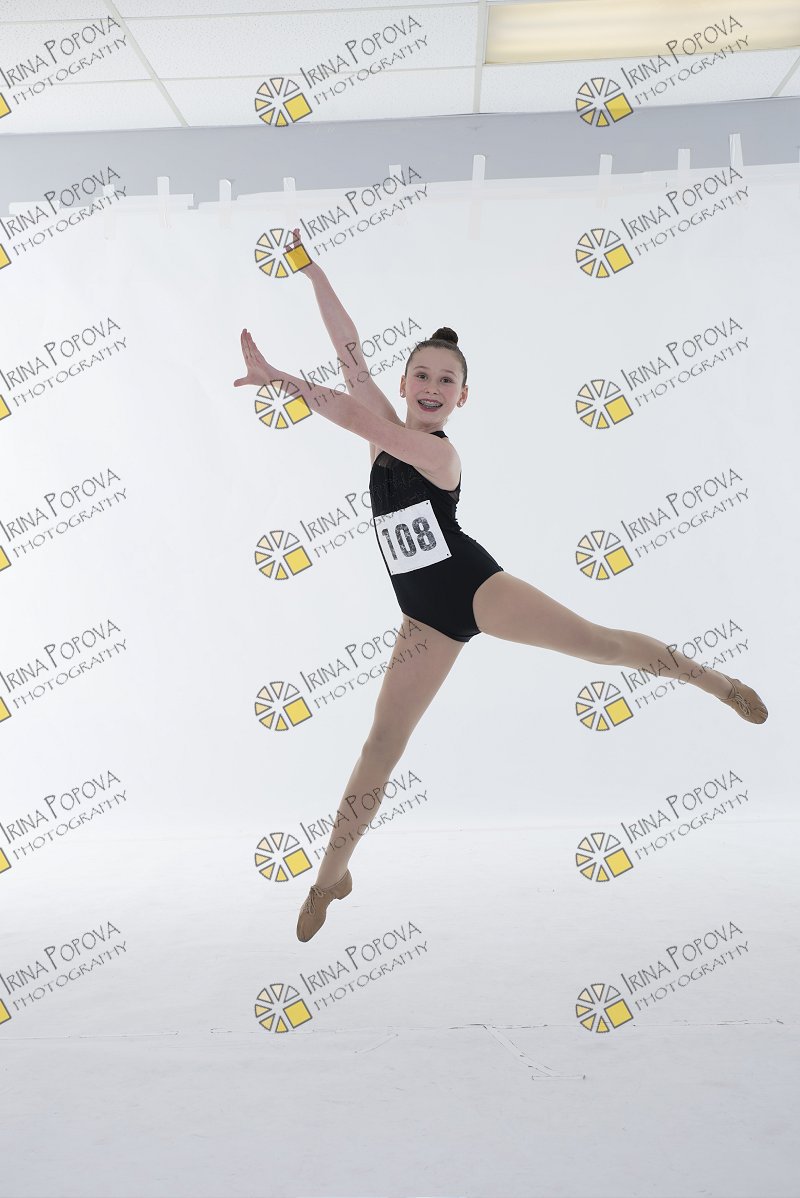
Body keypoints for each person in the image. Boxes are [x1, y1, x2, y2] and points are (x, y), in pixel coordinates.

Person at [233, 229, 768, 943]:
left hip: (475, 589)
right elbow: (350, 353)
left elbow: (354, 413)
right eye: (421, 375)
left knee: (601, 645)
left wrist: (280, 380)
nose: (431, 387)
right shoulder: (388, 427)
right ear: (406, 383)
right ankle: (330, 877)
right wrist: (313, 272)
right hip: (422, 618)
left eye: (446, 381)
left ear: (462, 397)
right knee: (381, 744)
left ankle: (714, 681)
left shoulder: (436, 454)